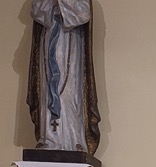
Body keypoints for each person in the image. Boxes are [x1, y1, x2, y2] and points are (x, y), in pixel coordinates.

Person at [28, 0, 102, 155]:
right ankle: (49, 140)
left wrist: (61, 3)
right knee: (47, 90)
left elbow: (84, 12)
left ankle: (74, 140)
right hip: (48, 38)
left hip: (71, 40)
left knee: (69, 92)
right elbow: (35, 10)